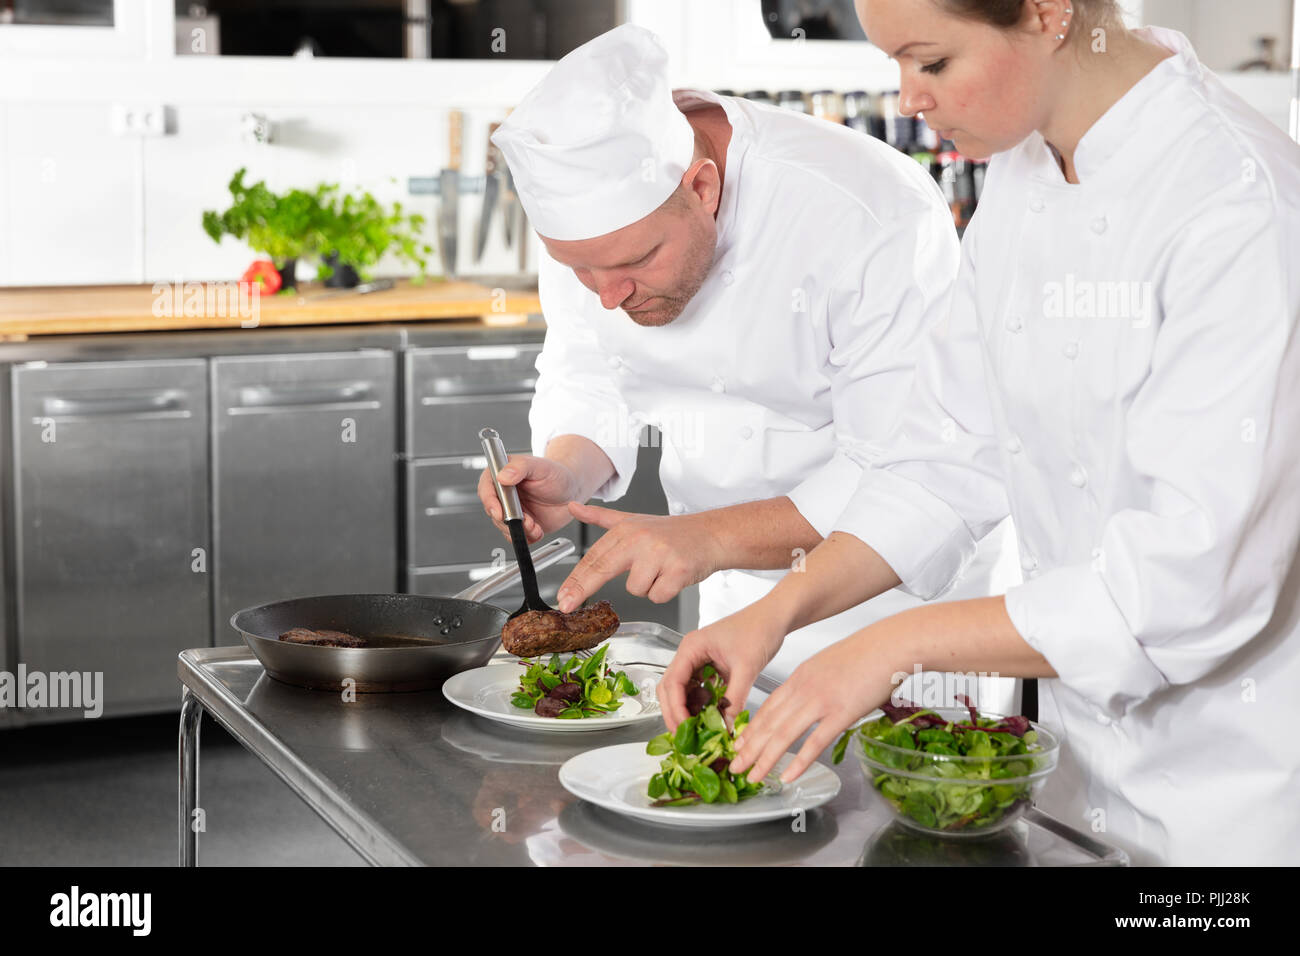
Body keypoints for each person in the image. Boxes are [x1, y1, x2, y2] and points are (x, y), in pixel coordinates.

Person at [662, 0, 1300, 866]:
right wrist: (775, 615)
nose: (909, 98)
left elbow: (1184, 586)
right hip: (1076, 780)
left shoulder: (1239, 202)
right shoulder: (1025, 169)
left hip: (1230, 807)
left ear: (1048, 12)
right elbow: (945, 456)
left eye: (930, 62)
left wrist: (890, 645)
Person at [480, 23, 1016, 682]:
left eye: (638, 261)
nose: (609, 295)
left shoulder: (868, 211)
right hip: (734, 605)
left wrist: (708, 536)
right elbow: (594, 376)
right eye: (579, 270)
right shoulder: (595, 227)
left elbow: (908, 468)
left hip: (898, 617)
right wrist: (567, 472)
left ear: (702, 188)